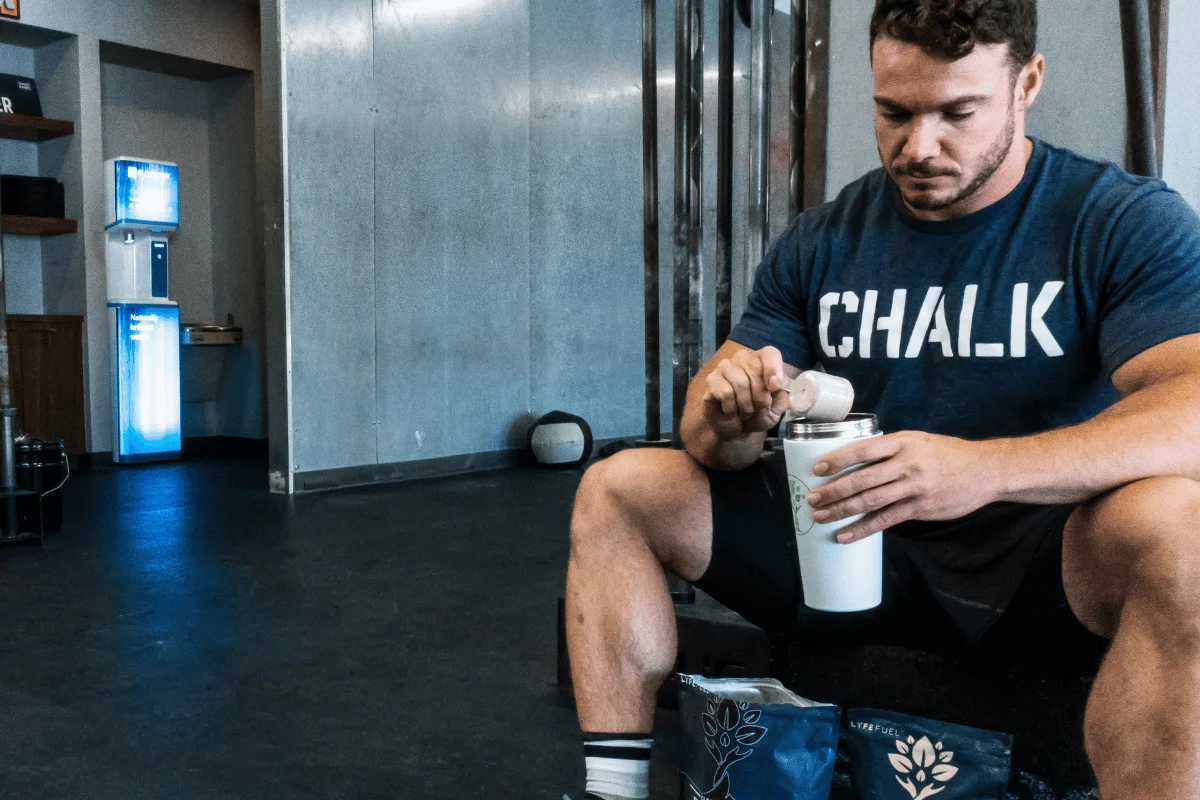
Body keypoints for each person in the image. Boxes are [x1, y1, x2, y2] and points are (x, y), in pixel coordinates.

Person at [565, 0, 1200, 798]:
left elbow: (1194, 406)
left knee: (1182, 530)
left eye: (956, 113)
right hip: (856, 545)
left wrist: (985, 470)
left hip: (1041, 561)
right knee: (621, 488)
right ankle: (610, 791)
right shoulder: (826, 238)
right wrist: (726, 414)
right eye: (894, 112)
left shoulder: (1118, 221)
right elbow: (710, 434)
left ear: (1026, 82)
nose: (919, 145)